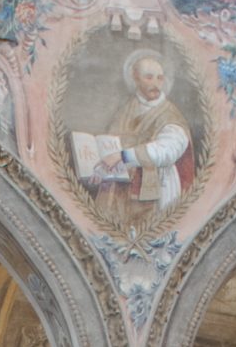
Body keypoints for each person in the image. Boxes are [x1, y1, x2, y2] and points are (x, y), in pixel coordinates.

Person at [73, 51, 195, 226]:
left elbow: (168, 151)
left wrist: (123, 156)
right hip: (119, 188)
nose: (156, 84)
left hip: (157, 190)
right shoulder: (127, 109)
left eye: (160, 78)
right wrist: (100, 170)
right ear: (135, 78)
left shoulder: (170, 114)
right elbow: (110, 145)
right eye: (149, 77)